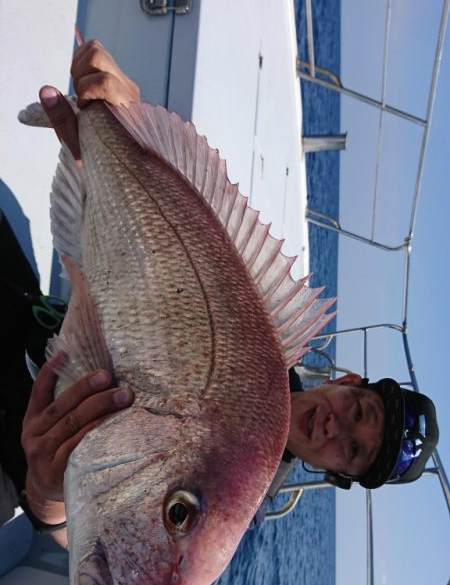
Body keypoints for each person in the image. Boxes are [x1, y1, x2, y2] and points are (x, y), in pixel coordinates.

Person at [19, 41, 439, 547]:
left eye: (350, 451)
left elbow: (88, 540)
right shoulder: (257, 328)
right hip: (27, 313)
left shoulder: (233, 509)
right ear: (348, 380)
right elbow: (174, 241)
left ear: (335, 472)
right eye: (358, 411)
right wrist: (125, 122)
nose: (335, 427)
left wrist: (44, 490)